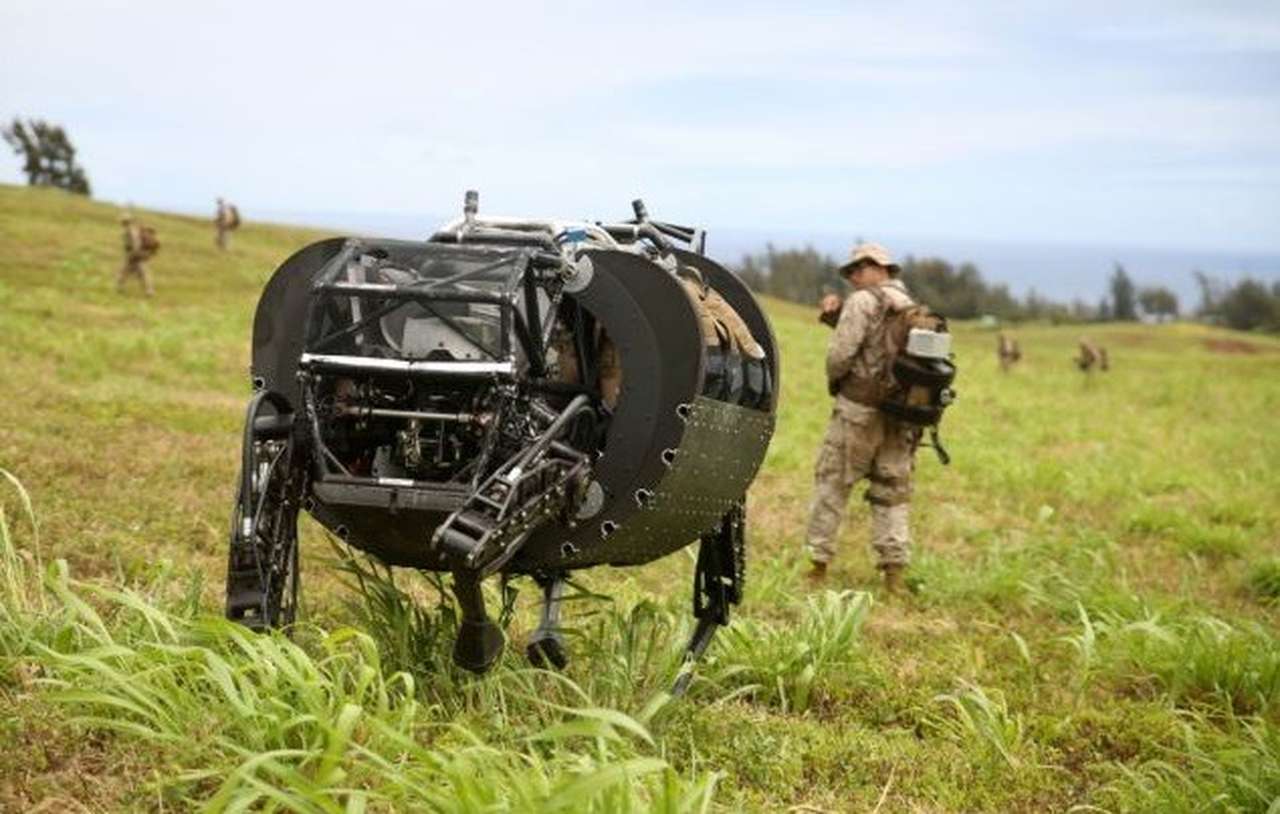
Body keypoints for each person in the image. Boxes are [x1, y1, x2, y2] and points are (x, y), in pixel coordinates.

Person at [807, 242, 920, 594]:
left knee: (832, 484)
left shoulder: (862, 302)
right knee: (892, 492)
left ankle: (818, 565)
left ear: (878, 268)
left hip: (857, 413)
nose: (854, 277)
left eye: (858, 269)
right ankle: (894, 575)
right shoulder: (910, 306)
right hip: (901, 416)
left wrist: (839, 381)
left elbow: (840, 356)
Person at [116, 213, 155, 296]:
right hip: (137, 254)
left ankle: (120, 288)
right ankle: (149, 291)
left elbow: (135, 243)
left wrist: (133, 253)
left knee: (125, 271)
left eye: (123, 221)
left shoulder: (131, 231)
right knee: (141, 273)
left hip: (134, 254)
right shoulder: (133, 229)